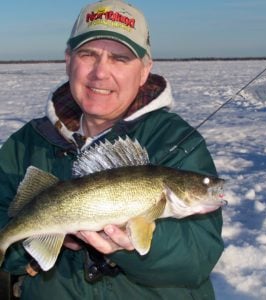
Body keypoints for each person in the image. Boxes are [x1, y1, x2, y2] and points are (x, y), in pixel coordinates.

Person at [0, 0, 224, 299]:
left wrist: (136, 244)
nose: (100, 72)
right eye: (88, 54)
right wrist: (24, 245)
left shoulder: (175, 140)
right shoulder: (27, 142)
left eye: (120, 58)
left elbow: (198, 255)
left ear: (144, 70)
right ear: (68, 60)